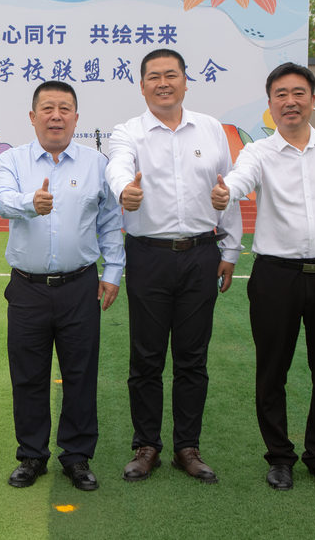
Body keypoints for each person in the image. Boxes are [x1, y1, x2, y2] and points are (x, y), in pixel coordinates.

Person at [211, 62, 315, 493]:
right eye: (281, 94)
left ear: (313, 100)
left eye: (298, 93)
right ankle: (280, 458)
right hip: (276, 278)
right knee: (272, 372)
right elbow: (239, 180)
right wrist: (225, 192)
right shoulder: (259, 153)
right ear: (270, 104)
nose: (290, 101)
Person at [106, 48, 242, 484]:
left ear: (185, 81)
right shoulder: (128, 132)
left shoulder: (211, 129)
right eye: (154, 77)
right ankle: (146, 445)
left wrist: (230, 251)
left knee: (192, 358)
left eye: (171, 75)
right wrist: (125, 190)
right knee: (146, 357)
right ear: (141, 85)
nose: (163, 83)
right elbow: (118, 168)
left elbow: (226, 191)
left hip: (201, 255)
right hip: (148, 256)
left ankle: (188, 446)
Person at [0, 81, 125, 492]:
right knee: (28, 376)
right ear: (32, 117)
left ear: (76, 117)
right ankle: (31, 455)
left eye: (64, 108)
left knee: (80, 374)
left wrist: (113, 271)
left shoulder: (96, 164)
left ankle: (77, 456)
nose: (56, 116)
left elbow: (110, 221)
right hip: (27, 288)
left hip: (79, 286)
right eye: (47, 108)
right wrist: (31, 203)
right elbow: (1, 200)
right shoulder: (13, 160)